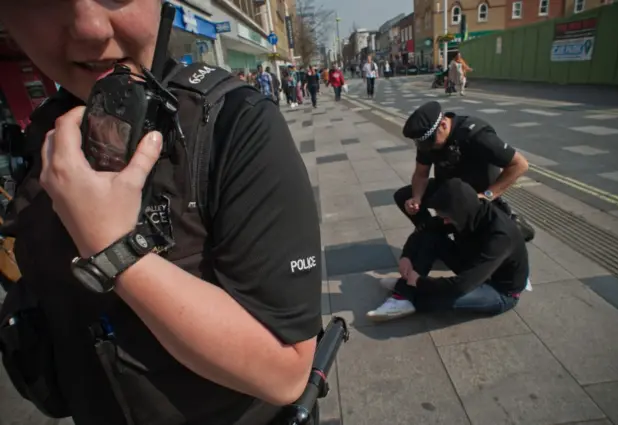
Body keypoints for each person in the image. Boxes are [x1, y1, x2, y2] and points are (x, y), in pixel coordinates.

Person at [0, 1, 321, 424]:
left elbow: (287, 371)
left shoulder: (234, 123)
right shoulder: (41, 137)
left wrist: (114, 250)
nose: (91, 27)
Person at [367, 178, 529, 320]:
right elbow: (425, 228)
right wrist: (407, 256)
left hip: (500, 290)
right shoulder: (468, 213)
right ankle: (407, 289)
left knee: (440, 299)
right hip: (475, 265)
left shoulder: (500, 236)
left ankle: (407, 293)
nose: (444, 222)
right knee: (431, 238)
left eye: (446, 218)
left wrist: (420, 282)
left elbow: (461, 285)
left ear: (459, 213)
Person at [393, 101, 531, 234]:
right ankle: (434, 236)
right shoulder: (428, 142)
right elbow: (421, 174)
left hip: (475, 195)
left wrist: (488, 195)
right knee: (403, 196)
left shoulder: (476, 135)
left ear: (443, 125)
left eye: (431, 142)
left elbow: (520, 164)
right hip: (448, 190)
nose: (430, 148)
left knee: (475, 248)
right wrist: (417, 198)